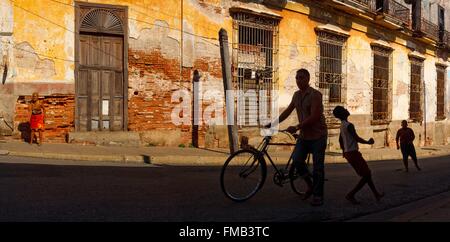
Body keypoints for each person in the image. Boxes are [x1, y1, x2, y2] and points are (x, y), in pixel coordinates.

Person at [265, 69, 327, 206]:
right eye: (297, 78)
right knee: (297, 160)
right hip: (304, 136)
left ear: (308, 79)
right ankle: (310, 186)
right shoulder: (296, 95)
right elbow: (287, 111)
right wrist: (273, 123)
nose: (299, 80)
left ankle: (318, 196)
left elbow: (315, 116)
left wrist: (297, 127)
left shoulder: (316, 95)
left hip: (318, 135)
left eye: (302, 78)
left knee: (318, 168)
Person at [333, 106, 384, 205]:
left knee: (367, 175)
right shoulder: (349, 125)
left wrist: (344, 151)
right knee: (367, 175)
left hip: (349, 153)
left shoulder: (342, 125)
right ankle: (351, 194)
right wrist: (368, 142)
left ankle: (376, 194)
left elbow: (340, 140)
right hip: (353, 153)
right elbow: (356, 138)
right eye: (344, 109)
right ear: (343, 113)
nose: (346, 109)